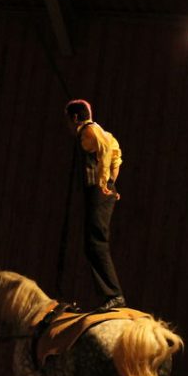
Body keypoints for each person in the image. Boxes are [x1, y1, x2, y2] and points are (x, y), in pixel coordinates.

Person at [65, 99, 126, 311]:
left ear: (74, 118)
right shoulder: (100, 131)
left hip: (98, 191)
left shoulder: (88, 131)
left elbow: (108, 151)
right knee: (92, 244)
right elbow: (116, 154)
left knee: (95, 243)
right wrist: (111, 182)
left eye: (68, 122)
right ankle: (111, 296)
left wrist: (103, 184)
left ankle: (114, 296)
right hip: (103, 191)